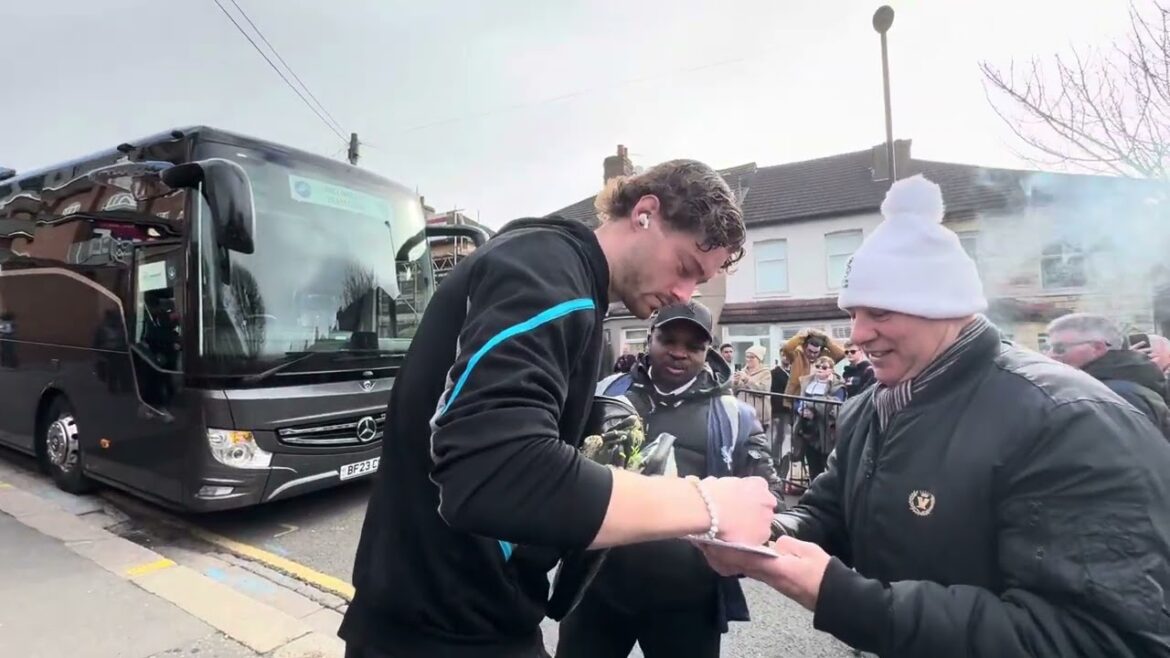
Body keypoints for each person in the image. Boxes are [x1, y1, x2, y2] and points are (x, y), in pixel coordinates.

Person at [696, 174, 1170, 657]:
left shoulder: (1070, 423)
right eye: (854, 313)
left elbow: (1095, 638)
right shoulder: (870, 406)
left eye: (879, 312)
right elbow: (828, 511)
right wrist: (766, 536)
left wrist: (842, 598)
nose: (857, 335)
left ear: (942, 306)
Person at [340, 159, 779, 658]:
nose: (684, 294)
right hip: (445, 629)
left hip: (460, 616)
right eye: (684, 268)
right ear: (644, 213)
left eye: (698, 284)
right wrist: (707, 507)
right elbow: (497, 471)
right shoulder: (549, 272)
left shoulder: (566, 283)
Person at [555, 301, 785, 658]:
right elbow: (561, 460)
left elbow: (768, 497)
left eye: (693, 346)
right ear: (650, 338)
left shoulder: (734, 416)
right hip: (598, 589)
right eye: (668, 340)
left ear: (708, 351)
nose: (679, 353)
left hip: (687, 599)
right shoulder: (604, 394)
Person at [1045, 312, 1170, 439]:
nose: (1050, 355)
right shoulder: (1113, 386)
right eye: (1047, 348)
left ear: (1098, 348)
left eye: (1059, 348)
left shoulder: (1114, 394)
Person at [792, 355, 845, 482]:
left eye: (824, 367)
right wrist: (801, 409)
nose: (820, 368)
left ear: (831, 370)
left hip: (826, 431)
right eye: (817, 366)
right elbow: (797, 400)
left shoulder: (838, 386)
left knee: (826, 465)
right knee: (812, 463)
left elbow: (835, 406)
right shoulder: (806, 382)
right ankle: (813, 490)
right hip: (806, 429)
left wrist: (812, 408)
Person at [733, 344, 772, 425]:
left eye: (752, 357)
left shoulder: (765, 373)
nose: (748, 359)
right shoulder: (742, 372)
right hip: (742, 414)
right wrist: (735, 383)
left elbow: (763, 390)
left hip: (759, 416)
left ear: (759, 359)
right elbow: (734, 392)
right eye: (747, 357)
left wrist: (747, 379)